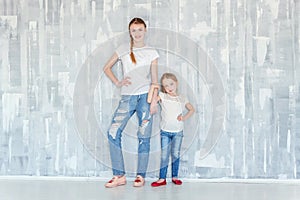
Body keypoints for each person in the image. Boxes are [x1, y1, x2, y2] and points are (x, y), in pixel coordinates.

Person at [103, 17, 159, 188]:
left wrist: (154, 101)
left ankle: (140, 176)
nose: (137, 33)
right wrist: (118, 82)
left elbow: (155, 79)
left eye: (140, 29)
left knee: (143, 137)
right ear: (130, 32)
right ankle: (119, 175)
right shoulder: (123, 49)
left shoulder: (152, 52)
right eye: (134, 30)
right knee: (113, 132)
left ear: (145, 30)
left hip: (145, 97)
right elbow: (106, 67)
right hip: (128, 97)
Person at [151, 72, 195, 187]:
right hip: (165, 131)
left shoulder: (182, 98)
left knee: (175, 154)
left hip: (178, 132)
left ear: (176, 83)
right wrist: (154, 88)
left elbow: (192, 109)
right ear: (163, 88)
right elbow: (152, 100)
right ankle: (162, 178)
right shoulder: (163, 96)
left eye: (171, 84)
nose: (169, 88)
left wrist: (183, 117)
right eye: (166, 86)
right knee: (164, 155)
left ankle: (175, 176)